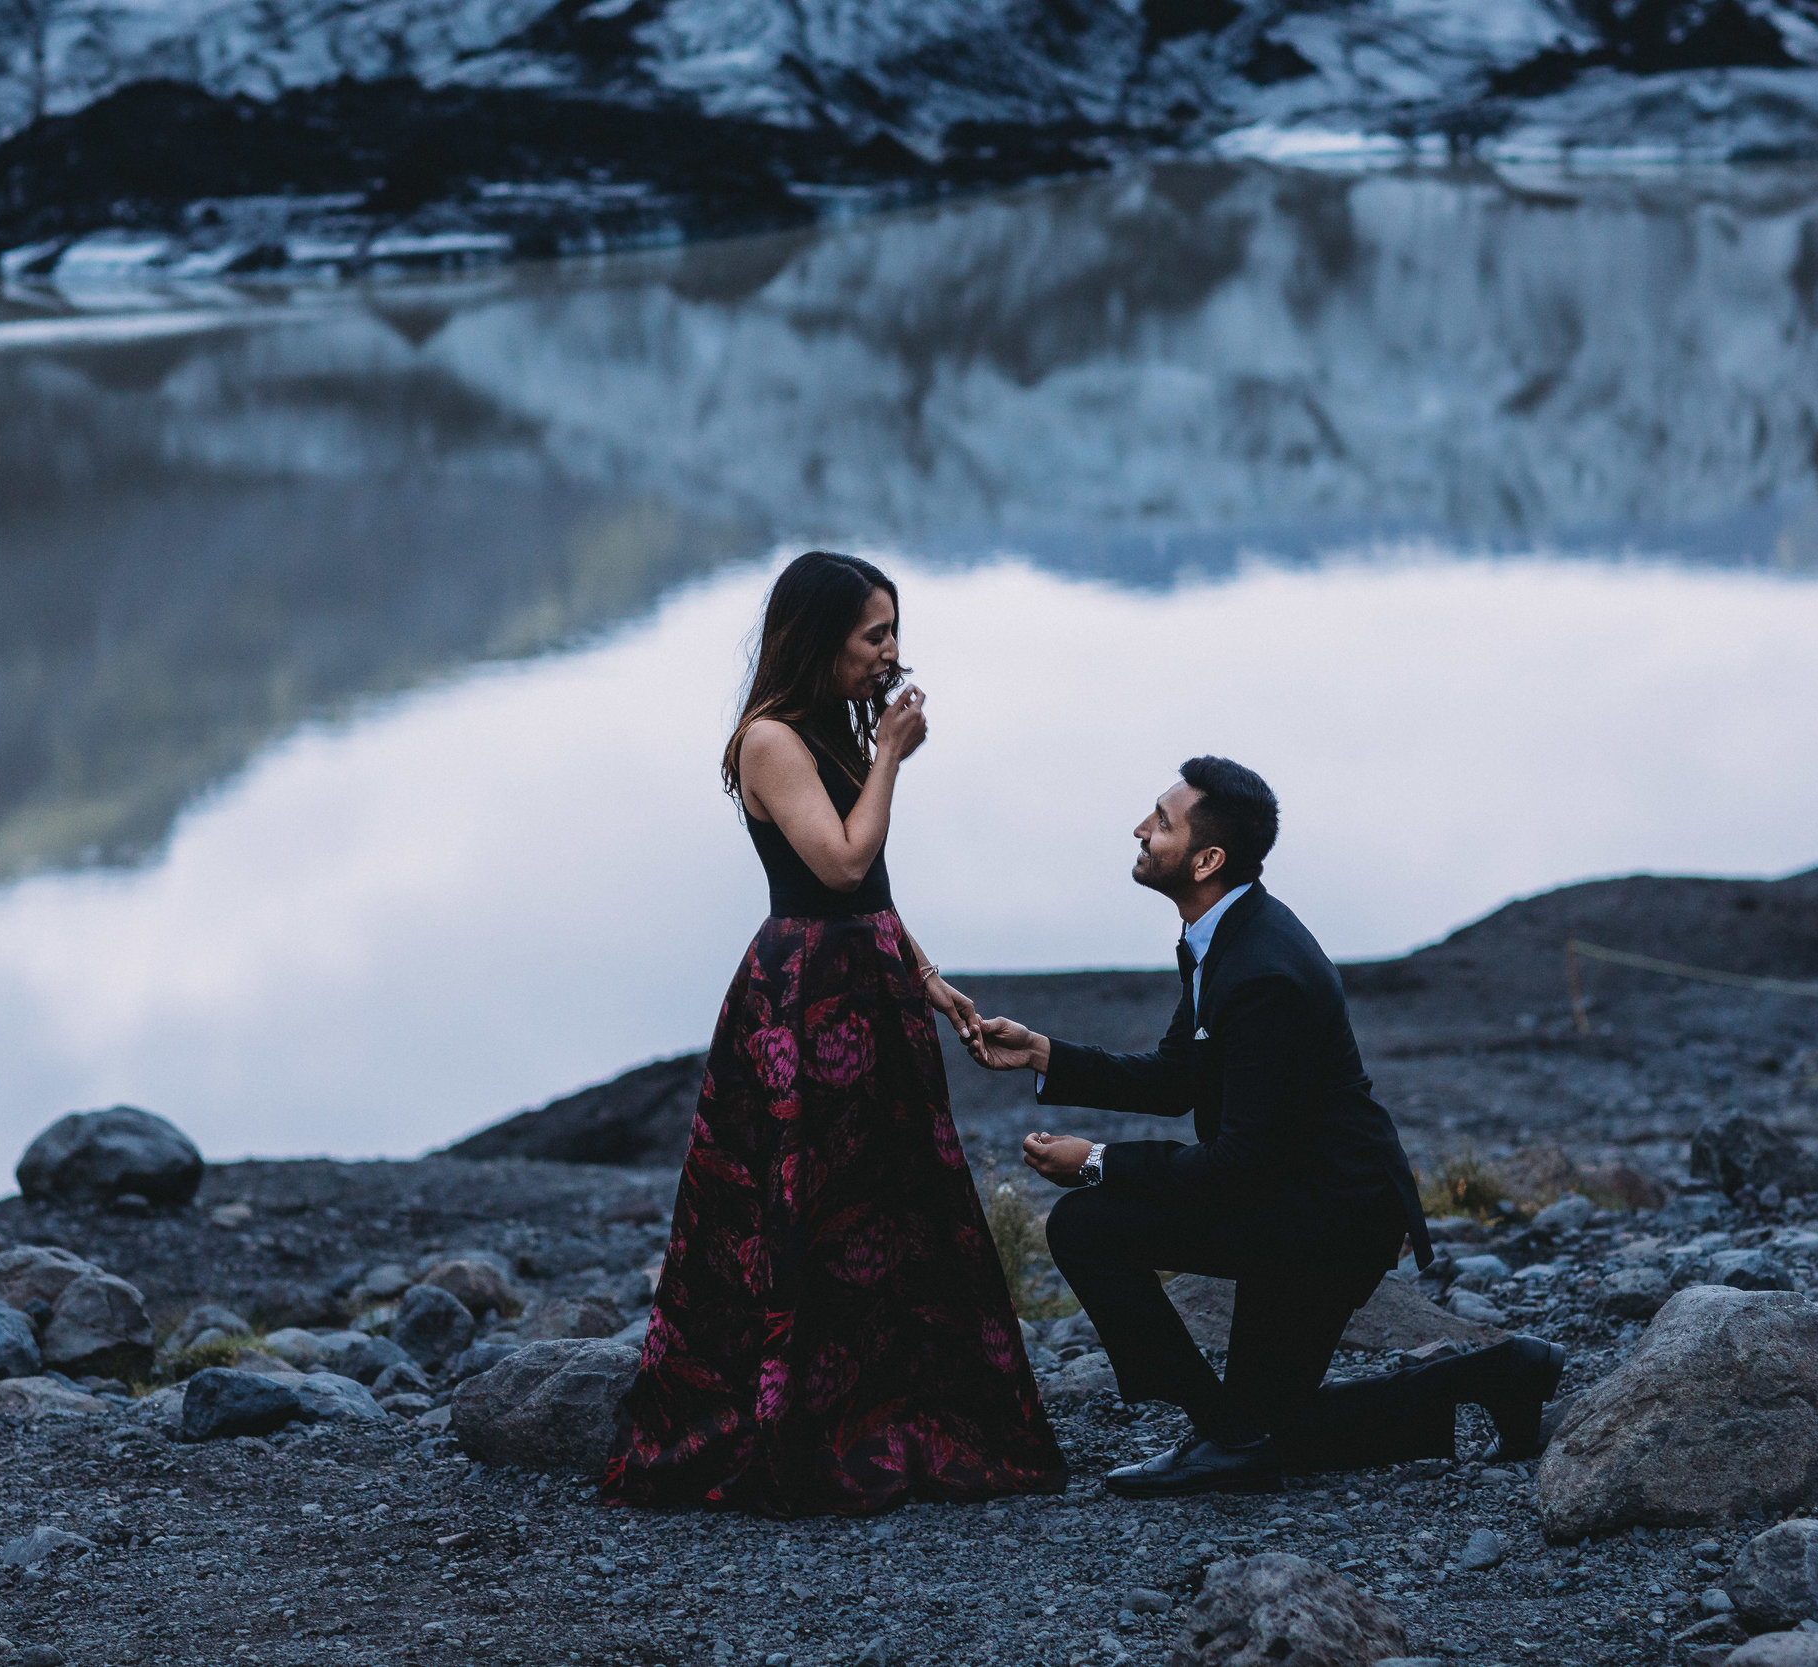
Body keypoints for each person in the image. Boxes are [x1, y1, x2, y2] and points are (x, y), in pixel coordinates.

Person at [603, 550, 1067, 1516]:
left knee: (889, 1204)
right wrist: (893, 753)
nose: (891, 654)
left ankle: (888, 1406)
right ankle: (797, 1423)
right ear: (819, 639)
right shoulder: (771, 738)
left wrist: (930, 979)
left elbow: (874, 895)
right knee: (811, 1205)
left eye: (894, 631)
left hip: (869, 986)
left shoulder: (829, 729)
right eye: (874, 635)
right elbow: (843, 865)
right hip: (807, 999)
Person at [968, 757, 1565, 1496]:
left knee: (1086, 1224)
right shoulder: (1220, 936)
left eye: (1162, 820)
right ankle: (1502, 1374)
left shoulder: (1261, 968)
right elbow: (1178, 1076)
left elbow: (1238, 1163)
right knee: (1277, 1433)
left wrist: (1096, 1160)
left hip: (1326, 1221)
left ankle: (1223, 1436)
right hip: (1293, 1201)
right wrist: (1044, 1053)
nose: (1141, 828)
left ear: (1207, 858)